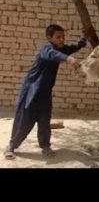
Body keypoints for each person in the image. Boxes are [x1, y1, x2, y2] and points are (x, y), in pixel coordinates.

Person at [3, 24, 86, 160]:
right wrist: (67, 58)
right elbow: (53, 54)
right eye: (58, 37)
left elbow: (72, 48)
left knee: (44, 121)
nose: (61, 40)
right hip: (31, 91)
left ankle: (45, 147)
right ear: (49, 37)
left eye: (63, 37)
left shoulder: (61, 49)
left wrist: (83, 40)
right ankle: (11, 146)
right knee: (24, 121)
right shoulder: (47, 48)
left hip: (45, 93)